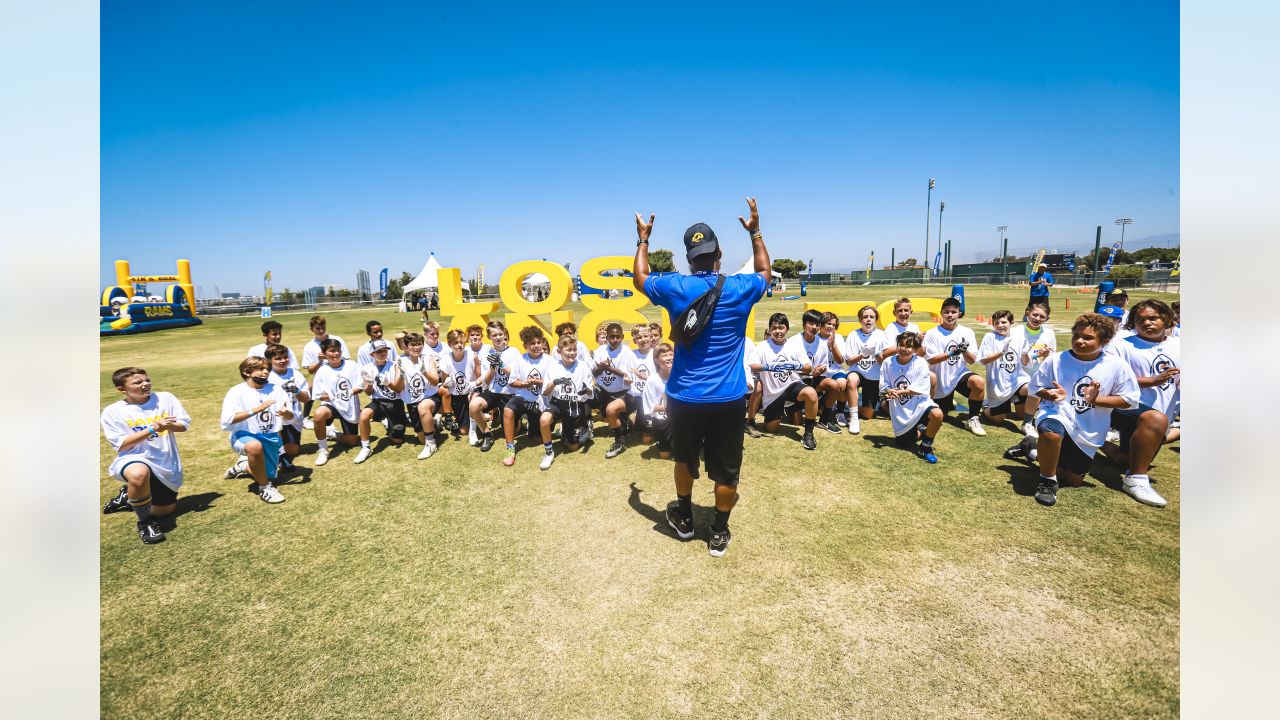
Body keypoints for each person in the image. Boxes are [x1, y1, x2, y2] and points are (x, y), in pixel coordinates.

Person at [633, 197, 771, 557]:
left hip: (684, 397)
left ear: (688, 259)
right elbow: (765, 274)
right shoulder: (741, 288)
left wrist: (643, 240)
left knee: (684, 459)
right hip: (728, 399)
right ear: (719, 255)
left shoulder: (676, 286)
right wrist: (755, 232)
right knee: (727, 473)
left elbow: (640, 278)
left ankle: (684, 516)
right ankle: (719, 532)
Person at [1027, 313, 1140, 507]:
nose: (1079, 341)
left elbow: (1130, 400)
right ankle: (1046, 481)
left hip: (1089, 428)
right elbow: (1035, 388)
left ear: (1104, 341)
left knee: (1072, 480)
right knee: (1051, 433)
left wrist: (1097, 400)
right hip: (1056, 413)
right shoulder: (1056, 359)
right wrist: (1051, 395)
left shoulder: (1116, 365)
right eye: (1076, 335)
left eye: (1087, 337)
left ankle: (1031, 449)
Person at [1101, 299, 1180, 508]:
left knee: (1125, 460)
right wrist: (1150, 381)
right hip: (1123, 406)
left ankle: (1094, 438)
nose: (1146, 323)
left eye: (1152, 318)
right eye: (1140, 320)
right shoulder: (1121, 345)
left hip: (1162, 412)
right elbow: (1107, 378)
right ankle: (1136, 480)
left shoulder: (1180, 345)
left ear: (1165, 318)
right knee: (1154, 419)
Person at [100, 367, 191, 545]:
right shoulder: (112, 411)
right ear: (121, 389)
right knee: (139, 474)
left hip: (165, 462)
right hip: (133, 458)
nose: (145, 384)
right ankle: (145, 523)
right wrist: (152, 428)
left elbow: (183, 425)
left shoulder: (165, 398)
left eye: (147, 380)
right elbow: (122, 445)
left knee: (165, 511)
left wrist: (167, 427)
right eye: (138, 382)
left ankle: (127, 495)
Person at [220, 357, 291, 504]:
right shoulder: (236, 392)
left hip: (270, 437)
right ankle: (265, 488)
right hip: (243, 436)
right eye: (260, 369)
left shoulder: (276, 389)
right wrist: (255, 410)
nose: (266, 372)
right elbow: (229, 419)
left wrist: (286, 413)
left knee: (269, 475)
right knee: (255, 448)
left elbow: (290, 415)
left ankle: (243, 466)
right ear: (246, 372)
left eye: (267, 369)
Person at [923, 297, 986, 436]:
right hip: (940, 378)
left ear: (959, 313)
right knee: (940, 414)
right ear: (941, 313)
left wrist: (964, 351)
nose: (950, 315)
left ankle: (973, 418)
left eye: (953, 312)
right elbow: (932, 360)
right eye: (946, 312)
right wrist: (952, 352)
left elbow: (971, 360)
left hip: (958, 375)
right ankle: (948, 399)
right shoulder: (932, 333)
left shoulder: (967, 332)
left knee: (979, 382)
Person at [880, 332, 944, 463]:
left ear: (915, 349)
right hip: (901, 409)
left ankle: (926, 447)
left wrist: (900, 392)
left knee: (937, 414)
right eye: (901, 345)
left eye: (909, 346)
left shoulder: (920, 362)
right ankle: (923, 428)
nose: (904, 349)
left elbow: (922, 389)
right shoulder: (888, 362)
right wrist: (888, 390)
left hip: (919, 403)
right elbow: (883, 383)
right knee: (903, 443)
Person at [540, 334, 597, 468]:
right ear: (559, 352)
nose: (572, 353)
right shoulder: (553, 367)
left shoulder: (582, 366)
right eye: (568, 350)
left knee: (572, 447)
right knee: (544, 420)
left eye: (574, 350)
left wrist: (586, 390)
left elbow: (590, 392)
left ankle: (582, 431)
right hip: (558, 404)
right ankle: (548, 453)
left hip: (575, 406)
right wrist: (554, 383)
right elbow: (545, 392)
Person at [501, 326, 554, 467]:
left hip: (541, 402)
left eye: (538, 342)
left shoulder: (549, 360)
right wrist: (524, 384)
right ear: (525, 346)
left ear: (542, 343)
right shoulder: (520, 359)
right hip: (523, 398)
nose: (536, 346)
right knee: (508, 410)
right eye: (532, 343)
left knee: (537, 439)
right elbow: (512, 382)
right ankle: (510, 448)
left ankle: (533, 427)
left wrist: (539, 382)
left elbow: (553, 383)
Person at [310, 338, 366, 466]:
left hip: (349, 405)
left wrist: (350, 392)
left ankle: (333, 434)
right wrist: (330, 396)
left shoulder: (351, 365)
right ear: (324, 354)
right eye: (331, 351)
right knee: (319, 414)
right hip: (332, 405)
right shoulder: (322, 371)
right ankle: (323, 449)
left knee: (352, 441)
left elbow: (360, 386)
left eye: (338, 350)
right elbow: (319, 395)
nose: (336, 354)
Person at [469, 321, 520, 452]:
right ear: (489, 337)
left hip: (509, 393)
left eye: (500, 334)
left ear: (504, 335)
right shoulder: (487, 353)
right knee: (473, 406)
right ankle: (487, 435)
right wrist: (492, 368)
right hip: (493, 392)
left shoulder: (514, 352)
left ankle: (503, 415)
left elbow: (516, 376)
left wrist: (501, 365)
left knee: (513, 432)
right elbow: (486, 381)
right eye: (494, 335)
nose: (497, 337)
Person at [391, 332, 441, 459]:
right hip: (412, 402)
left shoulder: (428, 357)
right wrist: (401, 374)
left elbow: (435, 381)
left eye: (419, 344)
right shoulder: (400, 361)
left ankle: (431, 445)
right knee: (421, 439)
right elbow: (398, 388)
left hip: (430, 397)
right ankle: (433, 425)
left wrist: (424, 371)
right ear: (406, 346)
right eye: (413, 344)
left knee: (423, 407)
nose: (417, 347)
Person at [357, 339, 408, 463]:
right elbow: (369, 392)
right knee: (364, 415)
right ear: (372, 354)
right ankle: (365, 447)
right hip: (378, 402)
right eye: (378, 351)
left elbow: (398, 389)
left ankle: (392, 425)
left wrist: (388, 383)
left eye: (384, 350)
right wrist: (369, 383)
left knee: (397, 439)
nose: (382, 353)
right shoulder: (368, 368)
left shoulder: (395, 365)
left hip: (395, 403)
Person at [977, 310, 1030, 429]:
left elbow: (1025, 363)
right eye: (996, 323)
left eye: (1003, 322)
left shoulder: (1019, 338)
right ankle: (986, 406)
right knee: (998, 420)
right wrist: (1001, 353)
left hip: (1017, 381)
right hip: (998, 384)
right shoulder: (990, 337)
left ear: (1011, 323)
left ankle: (1028, 423)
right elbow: (983, 360)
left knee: (1032, 388)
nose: (1000, 325)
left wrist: (1026, 353)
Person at [1011, 301, 1056, 437]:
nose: (1037, 319)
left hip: (1036, 377)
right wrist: (1036, 355)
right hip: (1017, 377)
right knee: (1036, 389)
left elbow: (1053, 356)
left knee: (1020, 412)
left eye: (1042, 317)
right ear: (1027, 313)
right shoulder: (1015, 332)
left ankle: (1023, 409)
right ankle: (1028, 423)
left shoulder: (1049, 333)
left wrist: (1048, 355)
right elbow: (1011, 356)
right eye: (1034, 314)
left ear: (1047, 319)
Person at [592, 322, 636, 459]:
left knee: (611, 410)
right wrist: (601, 367)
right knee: (587, 398)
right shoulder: (600, 351)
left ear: (622, 337)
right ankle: (584, 427)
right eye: (612, 337)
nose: (615, 340)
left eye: (618, 337)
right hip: (606, 392)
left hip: (625, 393)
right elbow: (594, 373)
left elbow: (629, 376)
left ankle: (619, 441)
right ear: (607, 337)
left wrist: (609, 368)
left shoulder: (627, 351)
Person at [299, 315, 351, 430]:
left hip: (339, 376)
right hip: (322, 379)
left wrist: (332, 358)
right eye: (317, 328)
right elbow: (310, 370)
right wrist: (320, 361)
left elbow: (347, 359)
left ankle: (340, 416)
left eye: (323, 327)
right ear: (311, 329)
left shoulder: (336, 340)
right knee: (311, 388)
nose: (321, 330)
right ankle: (306, 417)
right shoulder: (309, 347)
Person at [265, 344, 310, 470]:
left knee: (293, 451)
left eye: (285, 357)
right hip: (275, 417)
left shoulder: (295, 374)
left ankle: (276, 450)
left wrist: (295, 390)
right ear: (269, 361)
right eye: (278, 358)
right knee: (275, 430)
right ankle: (280, 458)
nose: (283, 360)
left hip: (293, 417)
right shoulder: (267, 376)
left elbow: (306, 398)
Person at [844, 304, 888, 433]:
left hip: (874, 376)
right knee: (851, 379)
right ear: (860, 320)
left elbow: (885, 363)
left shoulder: (882, 335)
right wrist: (862, 355)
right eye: (865, 317)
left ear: (876, 320)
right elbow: (848, 361)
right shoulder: (853, 335)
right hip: (858, 372)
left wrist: (875, 354)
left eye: (871, 317)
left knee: (868, 415)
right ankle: (853, 418)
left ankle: (857, 403)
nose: (868, 320)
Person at [437, 329, 481, 441]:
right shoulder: (445, 360)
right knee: (463, 431)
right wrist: (447, 382)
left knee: (473, 398)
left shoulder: (472, 356)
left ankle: (475, 429)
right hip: (457, 396)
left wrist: (474, 383)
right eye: (456, 343)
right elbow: (444, 382)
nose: (460, 345)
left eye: (462, 342)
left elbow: (480, 377)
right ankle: (447, 417)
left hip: (471, 393)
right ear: (449, 344)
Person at [641, 342, 675, 458]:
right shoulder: (652, 380)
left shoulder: (679, 376)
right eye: (665, 355)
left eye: (671, 354)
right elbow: (649, 407)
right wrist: (669, 408)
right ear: (656, 360)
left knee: (682, 454)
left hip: (678, 421)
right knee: (664, 456)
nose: (669, 358)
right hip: (661, 422)